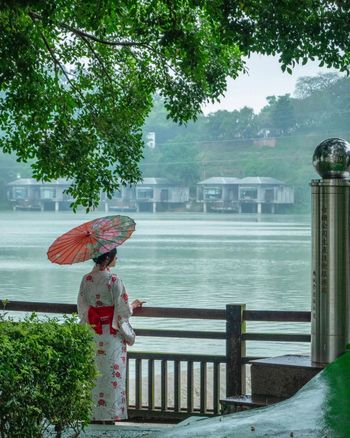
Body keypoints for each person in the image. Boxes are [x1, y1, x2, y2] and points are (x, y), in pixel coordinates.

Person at [77, 247, 144, 423]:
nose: (116, 259)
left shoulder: (86, 279)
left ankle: (92, 414)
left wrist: (94, 315)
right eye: (115, 256)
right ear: (107, 259)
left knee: (94, 373)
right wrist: (133, 306)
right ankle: (110, 416)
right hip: (111, 334)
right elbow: (122, 311)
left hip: (93, 331)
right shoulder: (114, 280)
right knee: (112, 373)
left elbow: (82, 308)